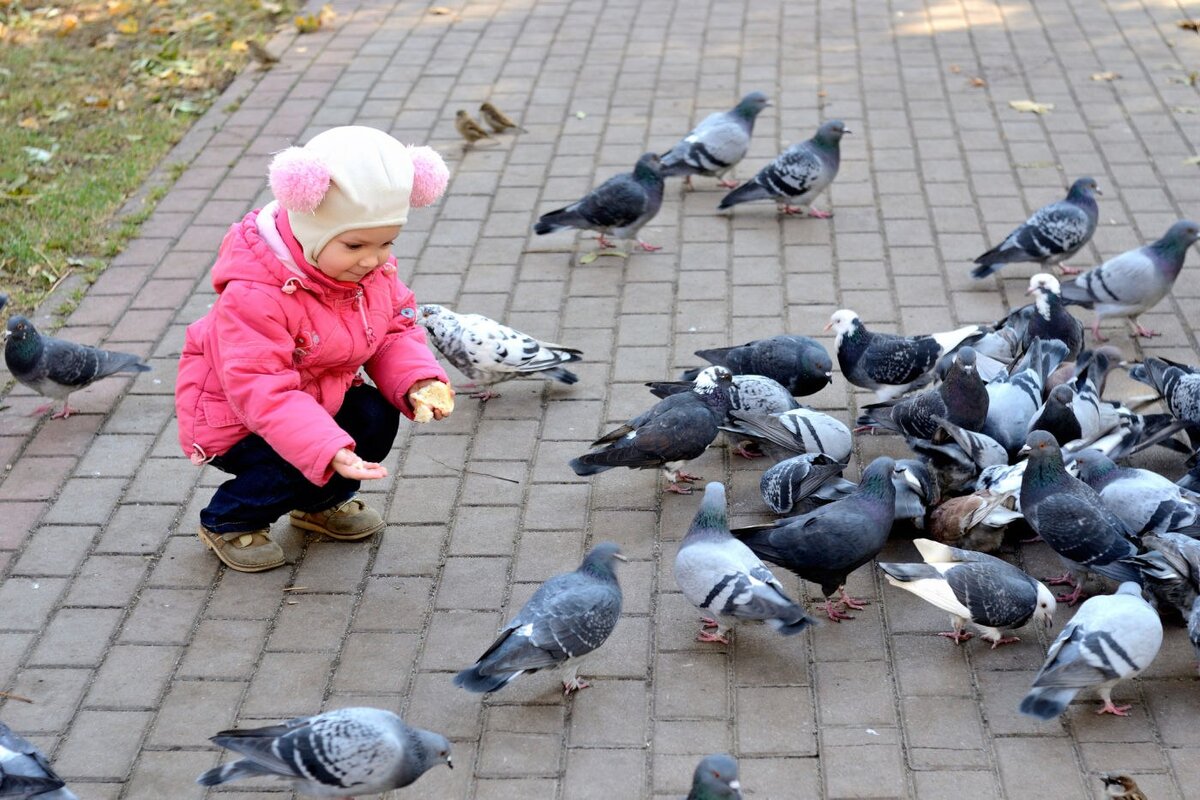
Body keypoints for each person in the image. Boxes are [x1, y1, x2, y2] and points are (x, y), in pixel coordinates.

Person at [175, 126, 455, 572]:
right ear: (311, 230)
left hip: (317, 399)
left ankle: (319, 503)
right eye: (355, 245)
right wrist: (327, 447)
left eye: (386, 243)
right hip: (240, 418)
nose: (373, 259)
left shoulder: (368, 274)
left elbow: (393, 332)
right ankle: (230, 518)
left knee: (376, 415)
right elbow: (262, 391)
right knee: (297, 455)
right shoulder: (256, 294)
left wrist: (417, 378)